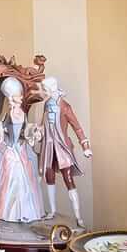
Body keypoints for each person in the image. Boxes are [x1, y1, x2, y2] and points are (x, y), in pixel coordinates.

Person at [0, 76, 46, 223]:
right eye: (9, 97)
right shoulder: (10, 114)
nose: (10, 101)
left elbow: (23, 131)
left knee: (17, 177)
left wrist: (31, 132)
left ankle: (17, 211)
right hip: (11, 147)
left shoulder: (17, 114)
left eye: (12, 97)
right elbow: (6, 130)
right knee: (9, 175)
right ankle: (10, 211)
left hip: (16, 148)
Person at [35, 75, 91, 225]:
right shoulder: (46, 105)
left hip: (62, 147)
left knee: (68, 178)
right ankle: (52, 211)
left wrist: (85, 147)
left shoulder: (65, 107)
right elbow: (43, 125)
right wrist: (38, 132)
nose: (43, 92)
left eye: (45, 89)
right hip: (48, 147)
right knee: (49, 177)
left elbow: (77, 127)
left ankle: (78, 217)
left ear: (52, 89)